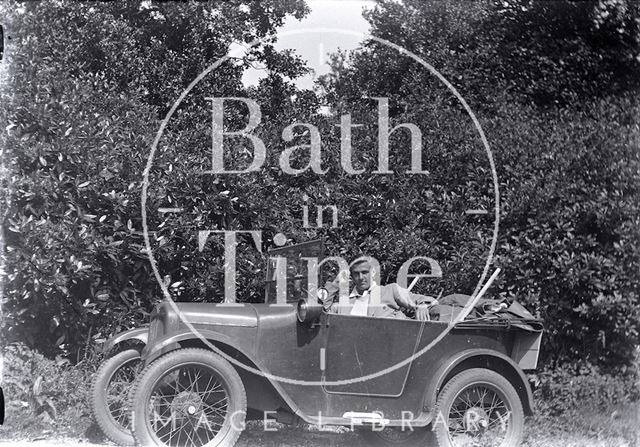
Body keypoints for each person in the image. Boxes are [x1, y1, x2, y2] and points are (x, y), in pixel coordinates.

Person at [320, 258, 437, 320]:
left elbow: (426, 300)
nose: (361, 278)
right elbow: (321, 312)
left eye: (365, 272)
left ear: (373, 272)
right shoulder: (343, 304)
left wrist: (422, 305)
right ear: (352, 276)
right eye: (356, 274)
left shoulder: (390, 291)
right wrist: (335, 283)